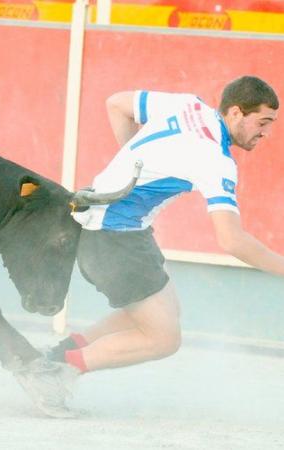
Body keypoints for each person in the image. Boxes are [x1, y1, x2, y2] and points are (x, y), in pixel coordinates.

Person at [46, 75, 283, 405]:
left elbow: (116, 103)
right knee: (163, 338)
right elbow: (232, 241)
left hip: (116, 227)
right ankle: (56, 371)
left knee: (165, 310)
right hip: (111, 237)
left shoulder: (189, 104)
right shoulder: (216, 160)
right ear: (235, 113)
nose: (266, 133)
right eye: (263, 122)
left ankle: (67, 349)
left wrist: (132, 165)